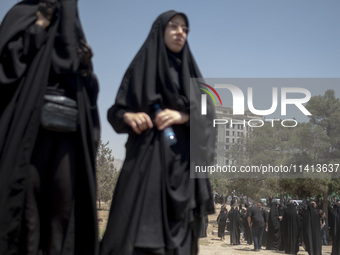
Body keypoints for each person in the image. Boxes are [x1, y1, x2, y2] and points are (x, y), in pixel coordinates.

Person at [100, 10, 216, 255]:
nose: (180, 33)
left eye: (185, 29)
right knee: (138, 233)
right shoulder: (140, 68)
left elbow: (209, 115)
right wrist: (130, 116)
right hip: (147, 162)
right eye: (174, 27)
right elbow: (116, 111)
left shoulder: (191, 74)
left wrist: (183, 116)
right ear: (160, 31)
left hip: (183, 168)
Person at [0, 0, 100, 254]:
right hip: (29, 133)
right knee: (27, 209)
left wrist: (87, 68)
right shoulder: (24, 15)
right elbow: (7, 66)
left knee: (63, 211)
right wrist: (39, 26)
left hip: (68, 137)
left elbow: (89, 93)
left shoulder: (75, 32)